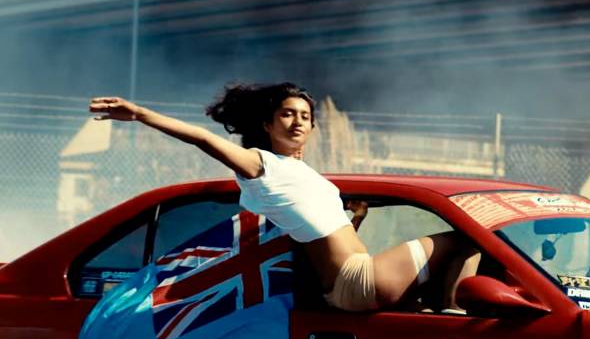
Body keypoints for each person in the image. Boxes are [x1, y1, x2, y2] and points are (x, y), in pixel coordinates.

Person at [90, 83, 477, 312]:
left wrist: (354, 218)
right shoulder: (262, 166)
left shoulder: (302, 175)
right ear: (267, 124)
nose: (297, 122)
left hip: (352, 281)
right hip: (358, 280)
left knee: (471, 251)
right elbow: (204, 139)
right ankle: (456, 316)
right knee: (473, 237)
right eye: (288, 114)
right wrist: (140, 114)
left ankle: (450, 311)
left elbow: (315, 235)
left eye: (305, 116)